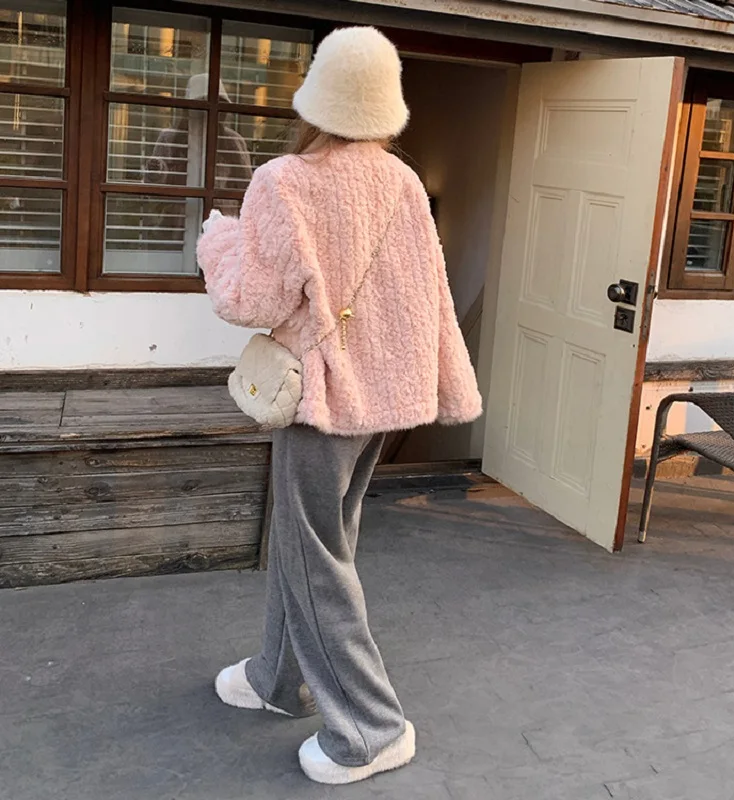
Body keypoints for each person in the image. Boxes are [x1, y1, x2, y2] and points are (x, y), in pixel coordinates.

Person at [196, 27, 482, 785]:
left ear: (316, 95)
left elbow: (248, 300)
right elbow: (430, 294)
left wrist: (217, 243)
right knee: (319, 544)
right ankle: (278, 678)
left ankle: (371, 727)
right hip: (384, 398)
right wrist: (440, 379)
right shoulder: (404, 182)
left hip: (320, 399)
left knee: (312, 557)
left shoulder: (284, 181)